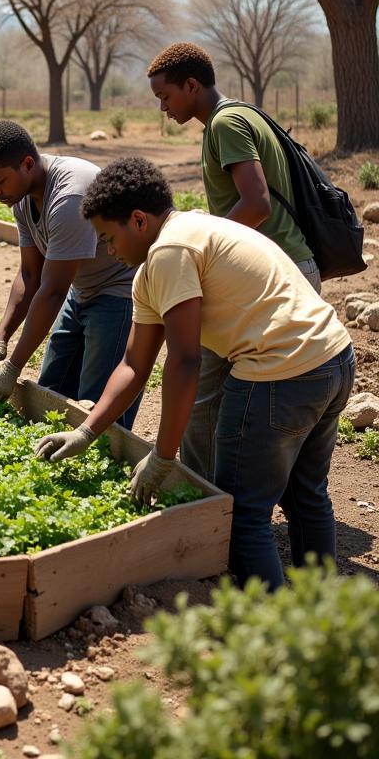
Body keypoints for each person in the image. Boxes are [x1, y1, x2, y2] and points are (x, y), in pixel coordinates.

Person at [35, 157, 354, 590]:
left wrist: (163, 456)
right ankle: (319, 608)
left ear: (139, 220)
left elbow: (185, 360)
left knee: (241, 515)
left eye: (109, 238)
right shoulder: (185, 237)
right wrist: (86, 431)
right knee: (305, 496)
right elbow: (133, 364)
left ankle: (278, 635)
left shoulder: (170, 252)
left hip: (280, 373)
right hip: (331, 357)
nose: (107, 251)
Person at [146, 42, 321, 478]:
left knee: (201, 389)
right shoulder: (242, 113)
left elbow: (257, 203)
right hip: (290, 269)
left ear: (192, 85)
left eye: (166, 97)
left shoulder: (224, 123)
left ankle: (199, 496)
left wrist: (207, 241)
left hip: (276, 275)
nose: (163, 108)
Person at [0, 121, 140, 426]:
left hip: (120, 293)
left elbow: (52, 291)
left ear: (28, 164)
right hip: (81, 290)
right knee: (51, 392)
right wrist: (1, 340)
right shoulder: (21, 198)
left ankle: (110, 469)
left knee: (98, 409)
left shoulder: (69, 197)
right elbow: (30, 275)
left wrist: (13, 368)